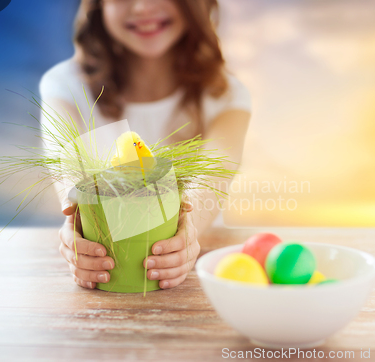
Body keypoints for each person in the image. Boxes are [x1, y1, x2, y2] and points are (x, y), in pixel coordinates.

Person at [39, 0, 251, 290]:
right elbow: (65, 160)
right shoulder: (65, 85)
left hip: (199, 275)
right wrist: (76, 223)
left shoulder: (225, 94)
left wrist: (186, 234)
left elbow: (217, 168)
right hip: (109, 275)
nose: (141, 7)